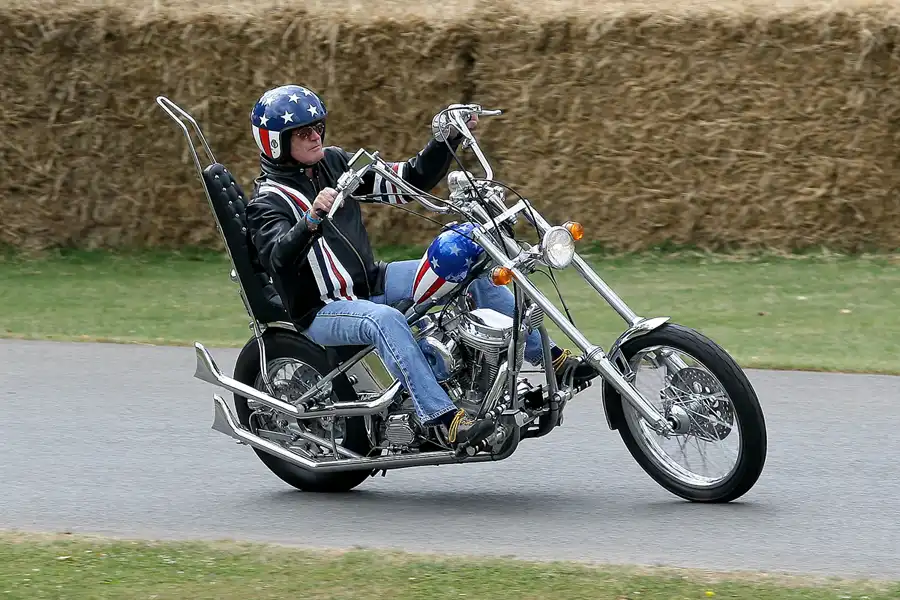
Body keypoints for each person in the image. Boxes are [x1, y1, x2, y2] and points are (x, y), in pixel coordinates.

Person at [245, 84, 595, 450]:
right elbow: (278, 259)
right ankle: (443, 419)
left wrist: (445, 141)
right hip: (321, 309)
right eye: (303, 133)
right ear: (275, 142)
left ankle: (553, 361)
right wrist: (311, 219)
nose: (315, 136)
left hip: (371, 280)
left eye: (318, 127)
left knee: (470, 269)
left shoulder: (332, 164)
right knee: (385, 320)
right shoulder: (268, 201)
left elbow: (409, 179)